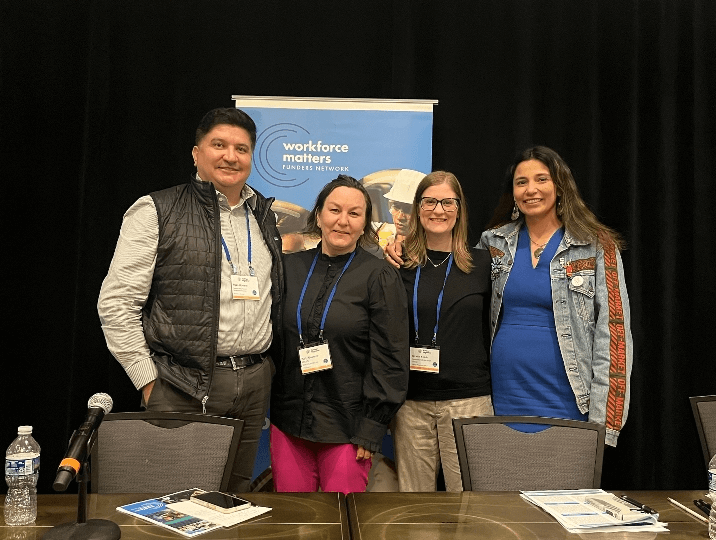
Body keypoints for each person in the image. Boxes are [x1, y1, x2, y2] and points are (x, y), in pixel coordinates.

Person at [97, 107, 284, 492]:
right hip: (181, 384)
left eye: (242, 148)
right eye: (219, 145)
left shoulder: (263, 216)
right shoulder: (156, 209)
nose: (231, 156)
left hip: (252, 383)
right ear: (197, 153)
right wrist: (150, 382)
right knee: (176, 502)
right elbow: (116, 303)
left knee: (233, 497)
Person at [480, 146, 632, 446]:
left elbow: (614, 336)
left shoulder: (596, 245)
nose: (530, 189)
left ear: (559, 187)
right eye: (521, 182)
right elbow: (452, 286)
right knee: (500, 491)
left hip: (570, 402)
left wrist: (604, 425)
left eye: (541, 179)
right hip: (500, 399)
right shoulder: (493, 242)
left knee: (563, 493)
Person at [270, 175, 410, 494]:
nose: (342, 221)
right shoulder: (288, 268)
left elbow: (391, 358)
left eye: (354, 214)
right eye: (334, 210)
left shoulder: (379, 276)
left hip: (348, 429)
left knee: (341, 522)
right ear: (318, 216)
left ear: (365, 224)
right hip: (289, 423)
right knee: (296, 522)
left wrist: (372, 425)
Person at [391, 171, 493, 492]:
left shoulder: (483, 264)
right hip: (411, 404)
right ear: (418, 208)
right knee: (414, 506)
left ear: (459, 209)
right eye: (430, 201)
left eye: (447, 202)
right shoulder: (398, 262)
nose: (438, 210)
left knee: (470, 507)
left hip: (469, 402)